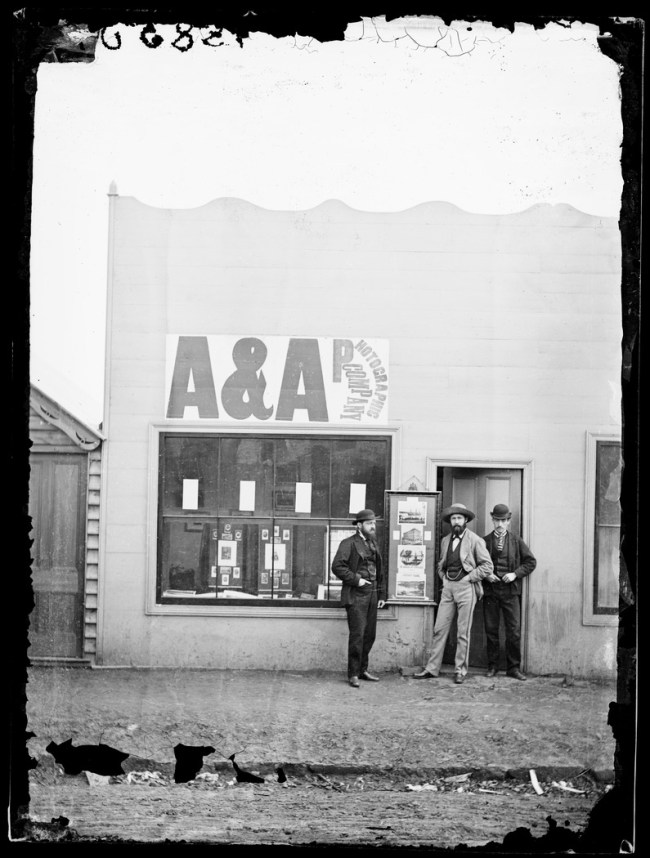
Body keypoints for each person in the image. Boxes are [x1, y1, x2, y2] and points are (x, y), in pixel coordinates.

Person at [413, 503, 493, 684]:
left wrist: (469, 578)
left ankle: (460, 671)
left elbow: (488, 566)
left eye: (459, 518)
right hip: (448, 588)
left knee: (463, 632)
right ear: (450, 521)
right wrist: (444, 578)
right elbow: (441, 564)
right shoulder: (445, 540)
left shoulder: (475, 540)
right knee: (439, 629)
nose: (456, 521)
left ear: (466, 520)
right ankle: (432, 669)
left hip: (467, 588)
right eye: (453, 518)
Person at [331, 509, 386, 688]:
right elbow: (337, 566)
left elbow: (380, 570)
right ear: (359, 525)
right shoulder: (348, 543)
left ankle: (363, 670)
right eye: (369, 523)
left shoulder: (373, 543)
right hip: (356, 594)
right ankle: (353, 673)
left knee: (370, 634)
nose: (373, 526)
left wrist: (381, 594)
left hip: (372, 593)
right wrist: (357, 580)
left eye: (374, 523)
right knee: (358, 635)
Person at [481, 503, 536, 680]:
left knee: (514, 631)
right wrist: (486, 575)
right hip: (491, 592)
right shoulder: (484, 541)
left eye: (503, 520)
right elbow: (474, 563)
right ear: (492, 520)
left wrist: (514, 574)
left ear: (508, 521)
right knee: (491, 630)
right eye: (497, 520)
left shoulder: (516, 541)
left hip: (510, 592)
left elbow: (531, 562)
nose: (500, 524)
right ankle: (493, 666)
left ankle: (513, 668)